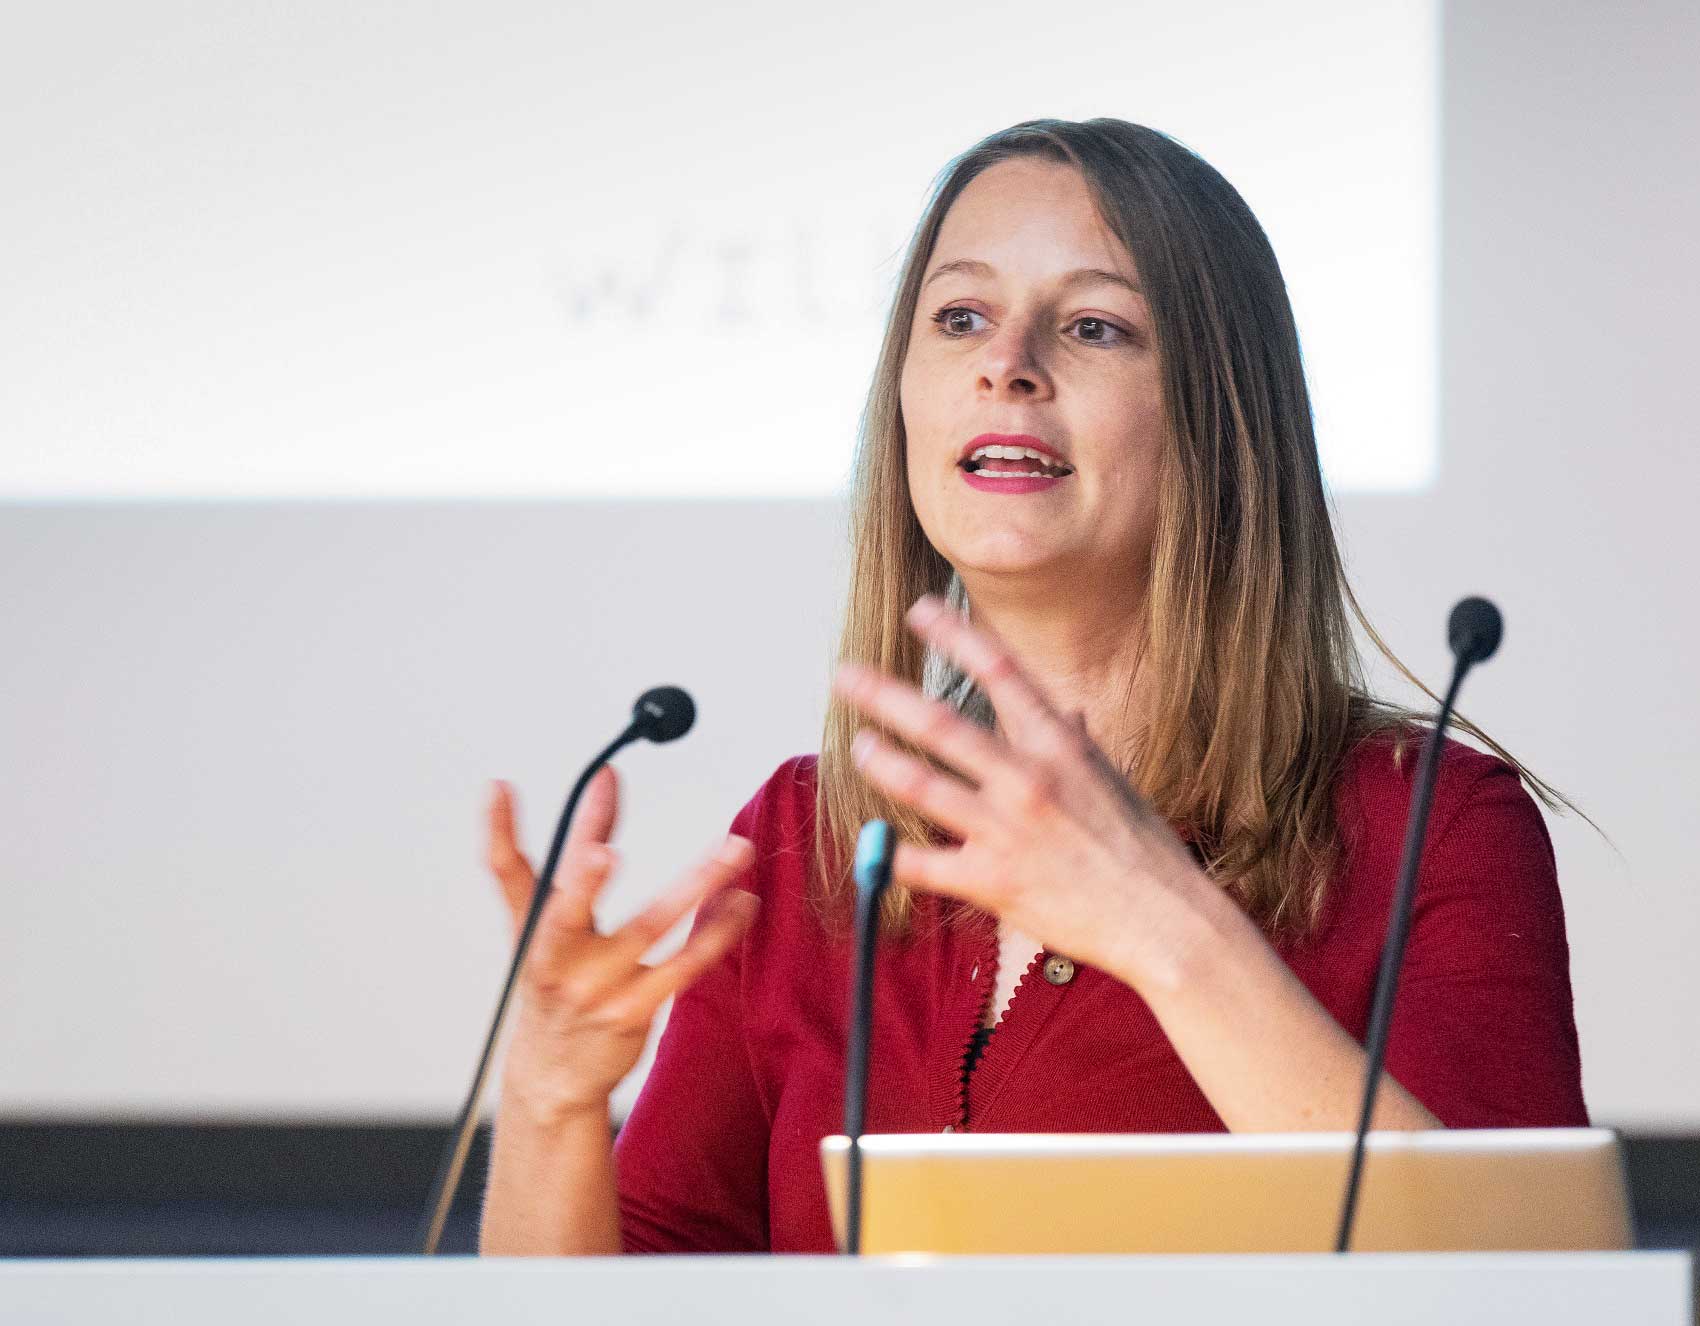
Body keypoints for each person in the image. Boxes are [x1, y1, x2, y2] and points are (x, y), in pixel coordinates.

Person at [477, 118, 1587, 1256]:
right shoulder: (800, 842)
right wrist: (549, 1099)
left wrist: (1159, 927)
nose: (1002, 361)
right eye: (958, 317)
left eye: (1095, 326)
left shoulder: (1429, 827)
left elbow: (1521, 1287)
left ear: (1221, 419)